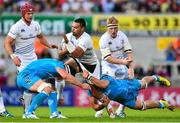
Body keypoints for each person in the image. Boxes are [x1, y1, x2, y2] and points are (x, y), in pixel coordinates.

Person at [4, 2, 58, 117]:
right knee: (33, 86)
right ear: (23, 13)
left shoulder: (35, 25)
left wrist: (49, 45)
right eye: (28, 13)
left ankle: (54, 113)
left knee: (50, 80)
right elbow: (7, 43)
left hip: (34, 60)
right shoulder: (17, 26)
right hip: (22, 63)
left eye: (31, 13)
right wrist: (13, 56)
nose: (30, 15)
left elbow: (41, 36)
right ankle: (27, 111)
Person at [59, 18, 115, 118]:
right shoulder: (68, 36)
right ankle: (60, 95)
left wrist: (67, 44)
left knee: (95, 102)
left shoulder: (86, 39)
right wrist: (63, 48)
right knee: (61, 71)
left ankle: (107, 103)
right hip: (77, 62)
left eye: (76, 28)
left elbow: (76, 54)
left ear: (82, 29)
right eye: (72, 27)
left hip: (90, 66)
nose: (73, 29)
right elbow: (61, 54)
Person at [16, 58, 91, 119]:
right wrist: (81, 85)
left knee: (52, 88)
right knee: (46, 88)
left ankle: (54, 113)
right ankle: (29, 113)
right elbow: (66, 77)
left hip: (28, 77)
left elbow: (59, 80)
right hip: (25, 77)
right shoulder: (59, 66)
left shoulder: (57, 66)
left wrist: (60, 96)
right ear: (67, 71)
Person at [82, 70, 174, 113]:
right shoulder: (91, 91)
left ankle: (155, 77)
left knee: (144, 83)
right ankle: (162, 104)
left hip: (127, 86)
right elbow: (94, 107)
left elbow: (104, 85)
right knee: (142, 106)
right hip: (124, 99)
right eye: (87, 82)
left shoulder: (102, 77)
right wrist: (103, 104)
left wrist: (90, 77)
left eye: (89, 79)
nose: (89, 83)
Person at [98, 16, 133, 118]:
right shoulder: (103, 39)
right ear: (107, 28)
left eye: (115, 28)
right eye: (111, 28)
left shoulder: (122, 36)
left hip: (121, 63)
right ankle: (101, 109)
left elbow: (129, 52)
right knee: (107, 87)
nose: (113, 31)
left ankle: (120, 110)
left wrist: (131, 69)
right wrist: (123, 62)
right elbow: (108, 58)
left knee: (129, 84)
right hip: (108, 64)